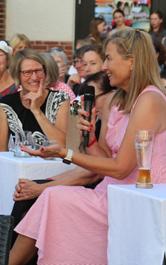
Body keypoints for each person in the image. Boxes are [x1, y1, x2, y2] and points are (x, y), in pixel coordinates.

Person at [10, 29, 166, 265]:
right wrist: (90, 137)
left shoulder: (150, 100)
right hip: (111, 190)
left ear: (132, 61)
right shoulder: (118, 100)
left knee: (52, 197)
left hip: (137, 200)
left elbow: (121, 168)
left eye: (109, 58)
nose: (104, 66)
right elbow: (104, 160)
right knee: (48, 198)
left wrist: (66, 153)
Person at [10, 72, 114, 255]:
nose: (88, 104)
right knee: (24, 196)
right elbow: (85, 165)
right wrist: (45, 181)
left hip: (100, 186)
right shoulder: (93, 121)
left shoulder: (108, 120)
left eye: (92, 98)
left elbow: (94, 171)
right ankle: (5, 256)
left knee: (32, 199)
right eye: (84, 98)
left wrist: (43, 186)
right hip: (89, 177)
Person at [0, 49, 70, 200]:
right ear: (17, 76)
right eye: (27, 72)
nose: (34, 77)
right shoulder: (7, 104)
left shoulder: (60, 99)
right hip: (20, 176)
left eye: (38, 71)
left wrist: (37, 112)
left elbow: (62, 144)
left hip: (54, 175)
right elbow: (0, 148)